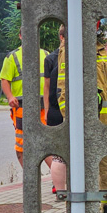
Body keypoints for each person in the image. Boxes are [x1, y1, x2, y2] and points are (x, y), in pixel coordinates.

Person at [58, 24, 107, 213]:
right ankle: (81, 212)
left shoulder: (99, 50)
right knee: (80, 164)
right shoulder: (69, 50)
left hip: (102, 119)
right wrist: (69, 118)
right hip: (81, 121)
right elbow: (62, 89)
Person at [0, 15, 50, 168]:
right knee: (45, 143)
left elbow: (4, 80)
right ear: (21, 36)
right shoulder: (44, 55)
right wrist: (10, 96)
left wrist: (10, 97)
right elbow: (4, 80)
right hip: (29, 106)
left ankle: (34, 183)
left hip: (29, 106)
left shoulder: (43, 55)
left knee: (24, 146)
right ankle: (52, 181)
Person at [43, 25, 66, 194]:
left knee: (58, 154)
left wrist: (47, 109)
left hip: (55, 110)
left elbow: (47, 86)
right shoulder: (80, 55)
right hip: (73, 111)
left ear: (60, 37)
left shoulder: (50, 58)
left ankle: (59, 190)